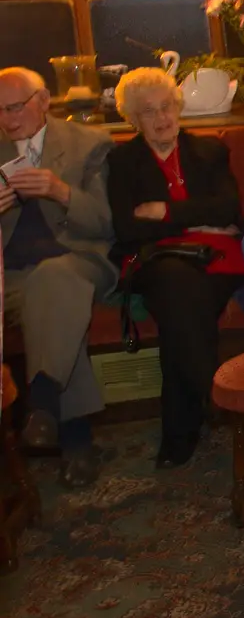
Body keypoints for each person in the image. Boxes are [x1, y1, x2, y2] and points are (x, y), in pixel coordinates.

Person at [107, 68, 244, 468]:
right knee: (178, 287)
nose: (162, 117)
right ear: (134, 120)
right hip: (155, 259)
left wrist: (163, 211)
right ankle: (218, 395)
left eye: (166, 106)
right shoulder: (122, 161)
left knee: (179, 306)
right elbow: (128, 226)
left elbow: (227, 210)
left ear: (178, 107)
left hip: (218, 257)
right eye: (149, 112)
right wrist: (194, 220)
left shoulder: (209, 150)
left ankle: (183, 431)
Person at [0, 67, 116, 488]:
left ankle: (53, 412)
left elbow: (106, 223)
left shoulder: (88, 144)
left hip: (78, 261)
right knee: (50, 300)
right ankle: (66, 429)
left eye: (16, 107)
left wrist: (59, 191)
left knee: (54, 280)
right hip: (10, 275)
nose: (8, 120)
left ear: (44, 100)